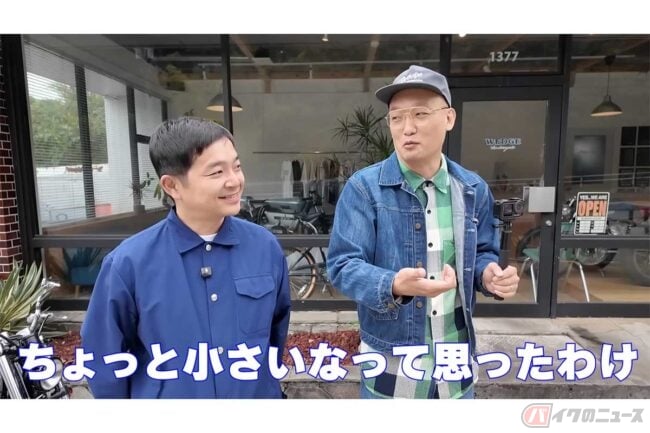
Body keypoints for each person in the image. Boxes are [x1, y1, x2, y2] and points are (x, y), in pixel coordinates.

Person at [327, 65, 520, 399]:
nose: (407, 128)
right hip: (392, 367)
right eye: (396, 117)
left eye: (420, 114)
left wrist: (489, 274)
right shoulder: (364, 189)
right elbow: (342, 265)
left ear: (449, 118)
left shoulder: (472, 188)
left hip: (454, 364)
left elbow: (482, 252)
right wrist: (393, 284)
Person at [81, 117, 291, 398]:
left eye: (237, 167)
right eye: (217, 172)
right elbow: (105, 362)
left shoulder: (265, 248)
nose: (234, 181)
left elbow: (275, 335)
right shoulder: (128, 264)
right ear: (172, 186)